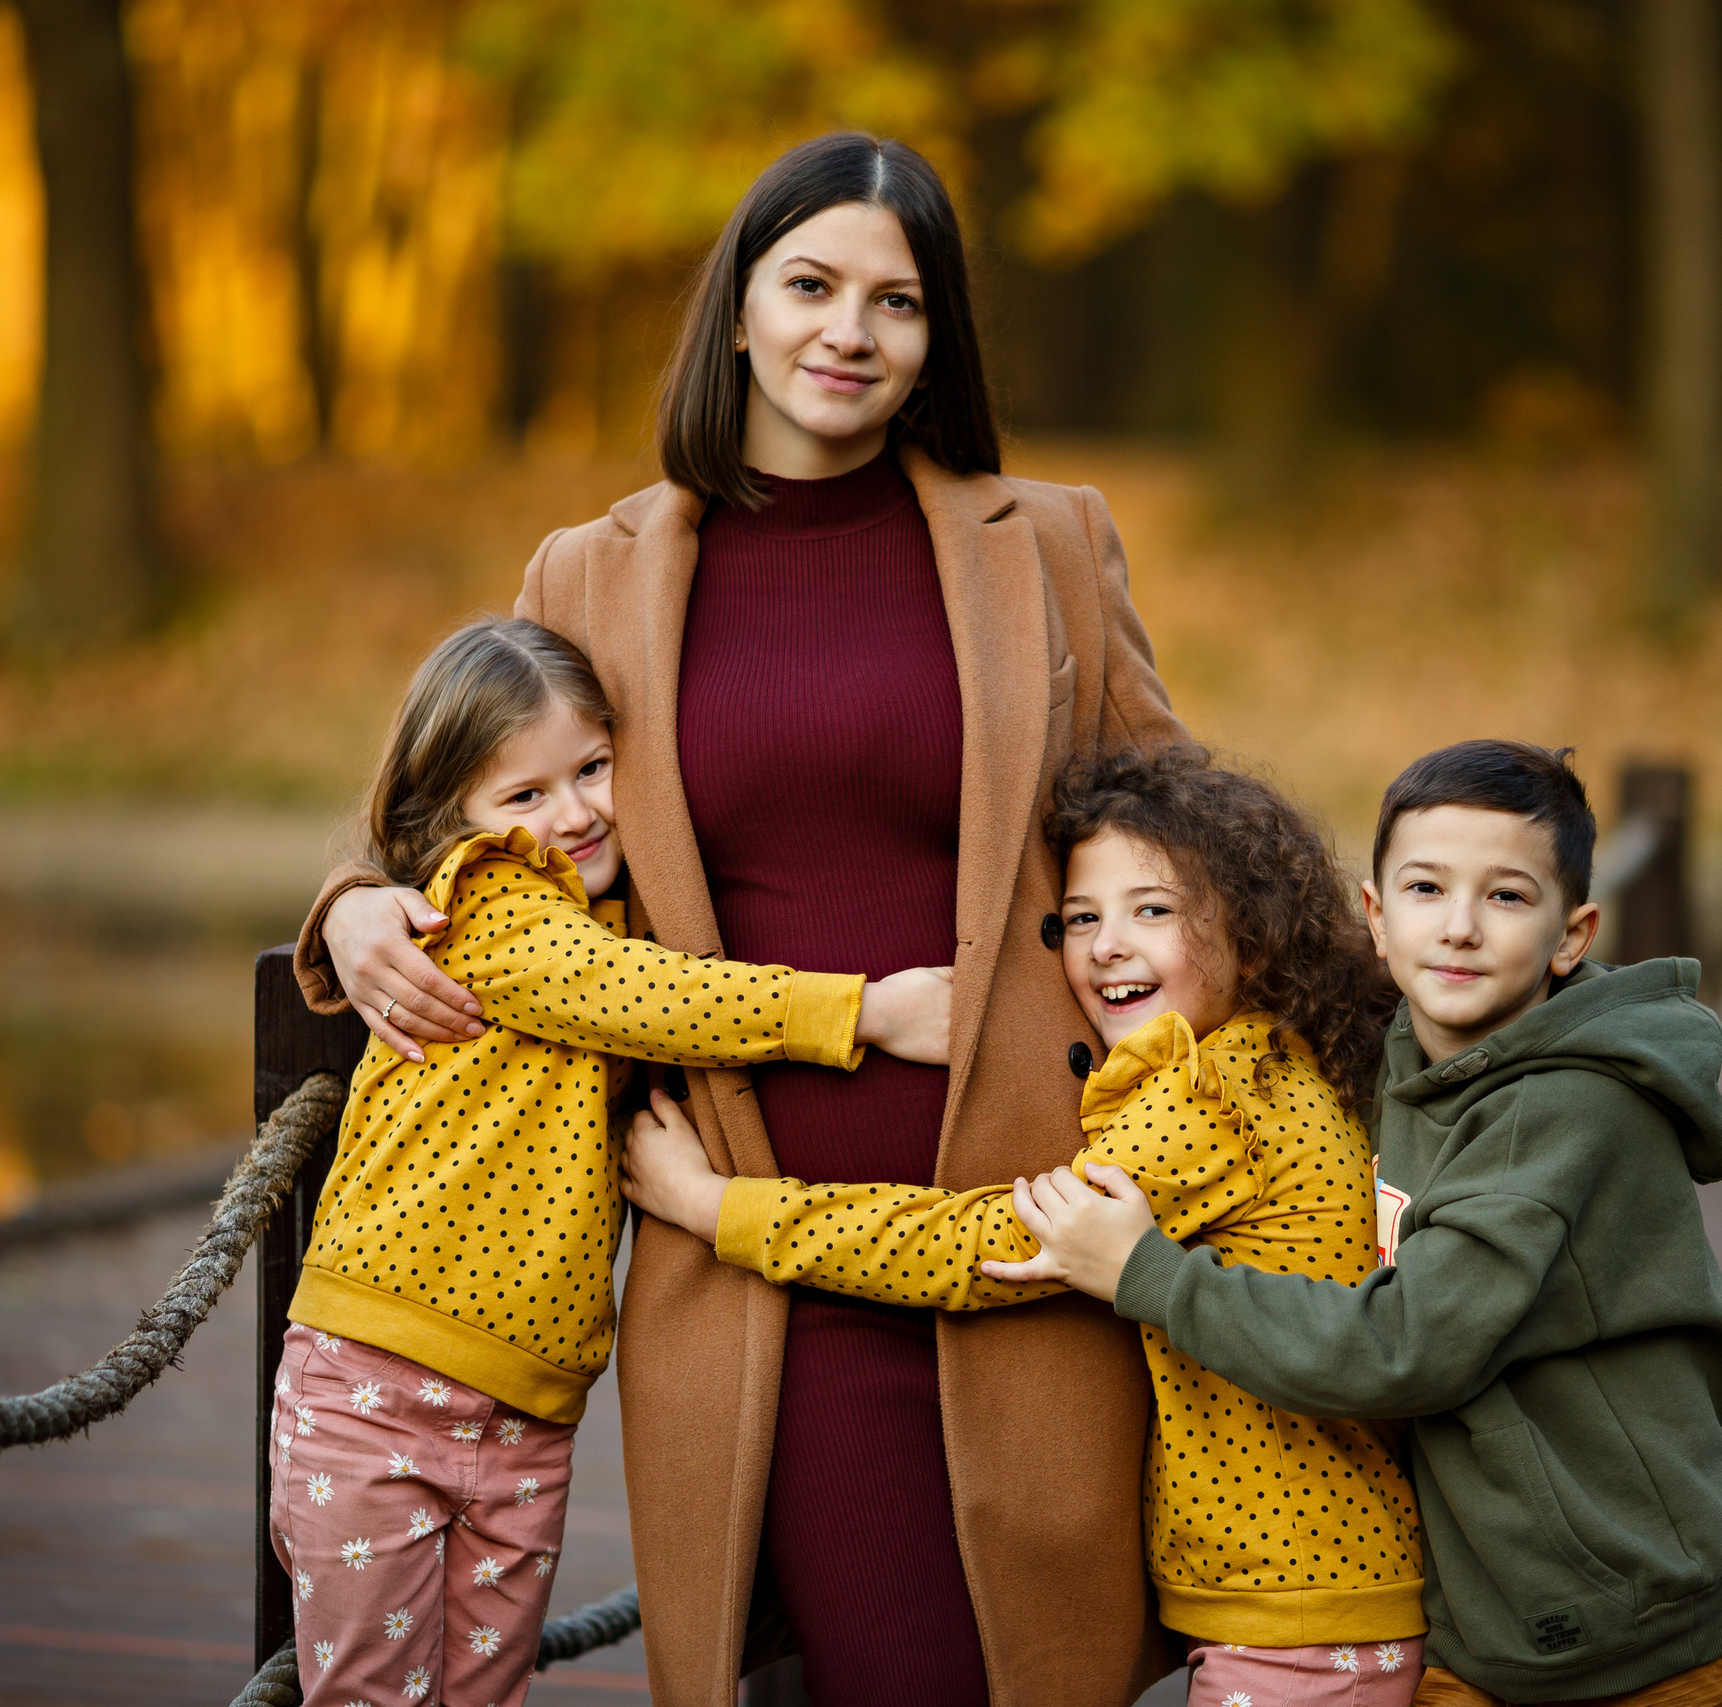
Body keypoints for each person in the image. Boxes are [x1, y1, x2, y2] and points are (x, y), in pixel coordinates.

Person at [291, 132, 1186, 1707]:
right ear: (740, 310)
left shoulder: (1043, 542)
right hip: (743, 1209)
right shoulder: (594, 570)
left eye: (896, 302)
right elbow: (469, 803)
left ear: (935, 338)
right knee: (869, 1657)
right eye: (812, 284)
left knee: (1035, 1661)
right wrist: (358, 904)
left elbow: (1183, 832)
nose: (850, 331)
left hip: (1022, 1206)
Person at [623, 746, 1426, 1706]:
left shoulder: (1216, 1096)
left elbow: (973, 1245)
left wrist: (717, 1205)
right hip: (1312, 1596)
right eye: (1081, 918)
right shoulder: (1279, 1063)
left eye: (1152, 910)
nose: (1106, 945)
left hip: (1299, 1612)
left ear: (1251, 935)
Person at [1012, 741, 1722, 1707]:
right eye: (1426, 888)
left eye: (1506, 897)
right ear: (1376, 917)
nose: (1459, 928)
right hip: (1494, 1631)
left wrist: (1151, 1273)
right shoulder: (1396, 1055)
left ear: (1572, 934)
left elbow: (1407, 1349)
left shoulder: (1559, 1115)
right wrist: (958, 1015)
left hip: (1655, 1644)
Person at [269, 618, 952, 1707]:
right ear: (459, 822)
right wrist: (868, 1011)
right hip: (376, 1389)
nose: (575, 813)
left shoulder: (619, 916)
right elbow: (650, 996)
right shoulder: (490, 907)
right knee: (368, 1697)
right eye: (525, 795)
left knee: (483, 1695)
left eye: (592, 769)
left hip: (529, 1418)